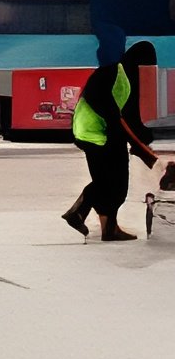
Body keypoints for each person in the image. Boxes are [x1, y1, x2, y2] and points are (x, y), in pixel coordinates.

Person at [64, 38, 161, 240]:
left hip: (86, 130)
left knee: (105, 180)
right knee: (115, 182)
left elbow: (125, 113)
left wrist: (139, 142)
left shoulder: (115, 71)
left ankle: (106, 226)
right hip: (100, 130)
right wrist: (140, 146)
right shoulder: (119, 74)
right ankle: (80, 213)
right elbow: (117, 114)